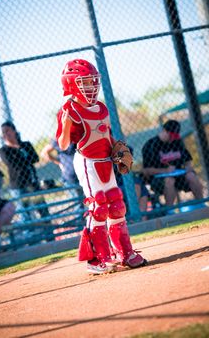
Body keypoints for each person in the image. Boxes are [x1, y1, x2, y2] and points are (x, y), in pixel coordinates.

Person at [56, 58, 147, 274]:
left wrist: (117, 147)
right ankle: (96, 259)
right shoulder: (69, 109)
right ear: (71, 84)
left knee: (116, 205)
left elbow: (106, 133)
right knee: (98, 207)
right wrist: (67, 123)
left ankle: (124, 253)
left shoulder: (101, 107)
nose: (91, 86)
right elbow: (63, 144)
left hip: (105, 161)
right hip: (87, 162)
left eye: (93, 81)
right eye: (85, 82)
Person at [142, 119, 204, 209]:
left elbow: (187, 160)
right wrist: (165, 170)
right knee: (169, 180)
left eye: (174, 136)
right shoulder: (150, 145)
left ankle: (201, 204)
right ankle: (170, 211)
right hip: (158, 179)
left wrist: (188, 167)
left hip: (179, 176)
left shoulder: (177, 142)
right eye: (171, 136)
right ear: (164, 131)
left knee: (191, 175)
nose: (172, 139)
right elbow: (146, 171)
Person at [0, 121, 50, 222]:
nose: (6, 134)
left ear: (14, 131)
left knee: (43, 210)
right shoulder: (4, 150)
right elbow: (13, 164)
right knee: (26, 215)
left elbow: (35, 158)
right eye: (3, 132)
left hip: (33, 183)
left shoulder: (25, 145)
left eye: (8, 131)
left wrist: (21, 157)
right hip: (19, 186)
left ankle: (50, 236)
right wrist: (25, 158)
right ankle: (31, 235)